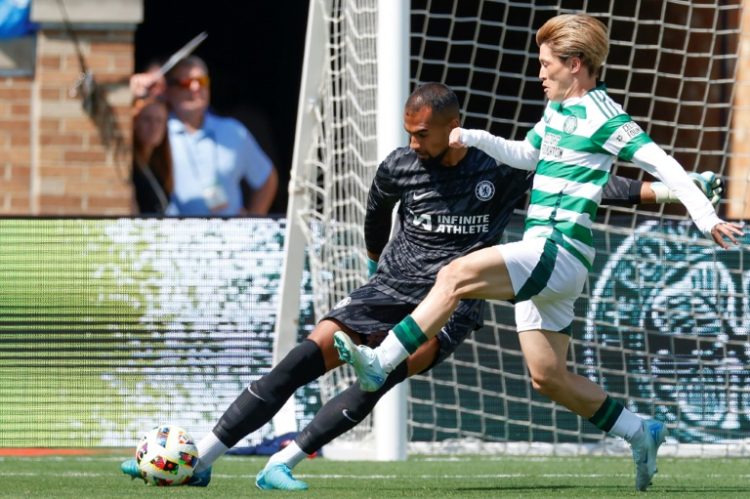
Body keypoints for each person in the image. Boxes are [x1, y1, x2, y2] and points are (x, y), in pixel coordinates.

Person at [116, 81, 722, 489]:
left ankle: (283, 461)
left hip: (450, 303)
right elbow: (375, 220)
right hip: (391, 285)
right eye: (408, 132)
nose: (414, 143)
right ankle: (203, 462)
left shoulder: (499, 167)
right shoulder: (400, 166)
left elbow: (596, 189)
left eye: (424, 133)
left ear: (454, 128)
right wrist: (381, 267)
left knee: (382, 376)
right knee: (303, 357)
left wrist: (669, 190)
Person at [334, 15, 743, 493]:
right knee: (547, 376)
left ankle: (380, 361)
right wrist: (476, 138)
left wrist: (705, 216)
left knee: (455, 274)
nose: (540, 74)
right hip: (545, 257)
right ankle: (639, 430)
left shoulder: (603, 117)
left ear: (575, 65)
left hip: (557, 249)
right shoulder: (555, 111)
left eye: (547, 65)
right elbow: (528, 156)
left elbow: (664, 164)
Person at [164, 56, 278, 215]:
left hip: (228, 235)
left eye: (202, 81)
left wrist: (253, 221)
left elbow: (266, 178)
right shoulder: (159, 132)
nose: (195, 88)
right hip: (177, 235)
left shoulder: (233, 130)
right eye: (185, 83)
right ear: (168, 91)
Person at [131, 96, 172, 214]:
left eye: (159, 120)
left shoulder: (160, 166)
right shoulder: (129, 166)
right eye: (147, 119)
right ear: (135, 122)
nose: (154, 127)